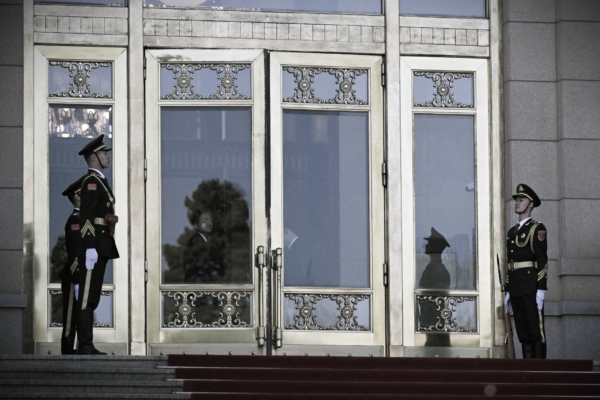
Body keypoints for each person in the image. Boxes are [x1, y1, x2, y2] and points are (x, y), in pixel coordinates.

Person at [74, 134, 119, 355]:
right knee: (87, 296)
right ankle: (84, 344)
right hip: (94, 246)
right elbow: (86, 216)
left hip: (101, 244)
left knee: (92, 295)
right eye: (103, 153)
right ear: (94, 157)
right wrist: (90, 246)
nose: (107, 157)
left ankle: (87, 343)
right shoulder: (91, 182)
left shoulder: (100, 180)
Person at [504, 183, 548, 359]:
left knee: (535, 331)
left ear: (530, 204)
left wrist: (541, 289)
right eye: (516, 199)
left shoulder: (536, 228)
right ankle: (527, 367)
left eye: (521, 200)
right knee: (522, 332)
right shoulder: (512, 232)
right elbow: (510, 262)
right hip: (516, 286)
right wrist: (508, 288)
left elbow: (542, 260)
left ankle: (538, 369)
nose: (517, 202)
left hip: (530, 286)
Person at [60, 177, 84, 354]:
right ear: (77, 196)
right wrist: (77, 277)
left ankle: (79, 347)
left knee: (80, 314)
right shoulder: (75, 221)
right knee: (70, 316)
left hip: (82, 274)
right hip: (73, 275)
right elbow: (74, 251)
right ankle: (68, 350)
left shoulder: (84, 219)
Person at [418, 227, 451, 346]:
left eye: (430, 243)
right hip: (433, 322)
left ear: (435, 247)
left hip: (435, 322)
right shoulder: (432, 268)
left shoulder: (437, 270)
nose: (426, 246)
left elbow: (437, 299)